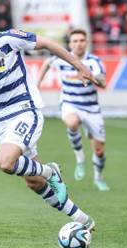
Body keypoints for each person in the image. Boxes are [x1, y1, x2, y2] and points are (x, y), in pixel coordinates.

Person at [0, 0, 98, 231]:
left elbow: (48, 43)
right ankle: (83, 219)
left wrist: (78, 64)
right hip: (1, 121)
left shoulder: (9, 38)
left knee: (5, 162)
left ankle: (51, 171)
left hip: (24, 110)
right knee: (33, 182)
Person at [37, 29, 111, 192]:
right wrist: (37, 85)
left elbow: (103, 83)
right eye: (75, 41)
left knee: (99, 150)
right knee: (72, 123)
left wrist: (90, 76)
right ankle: (80, 157)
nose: (78, 44)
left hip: (91, 109)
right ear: (70, 44)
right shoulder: (62, 58)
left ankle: (98, 177)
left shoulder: (94, 61)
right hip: (70, 103)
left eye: (82, 40)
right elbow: (46, 63)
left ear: (86, 42)